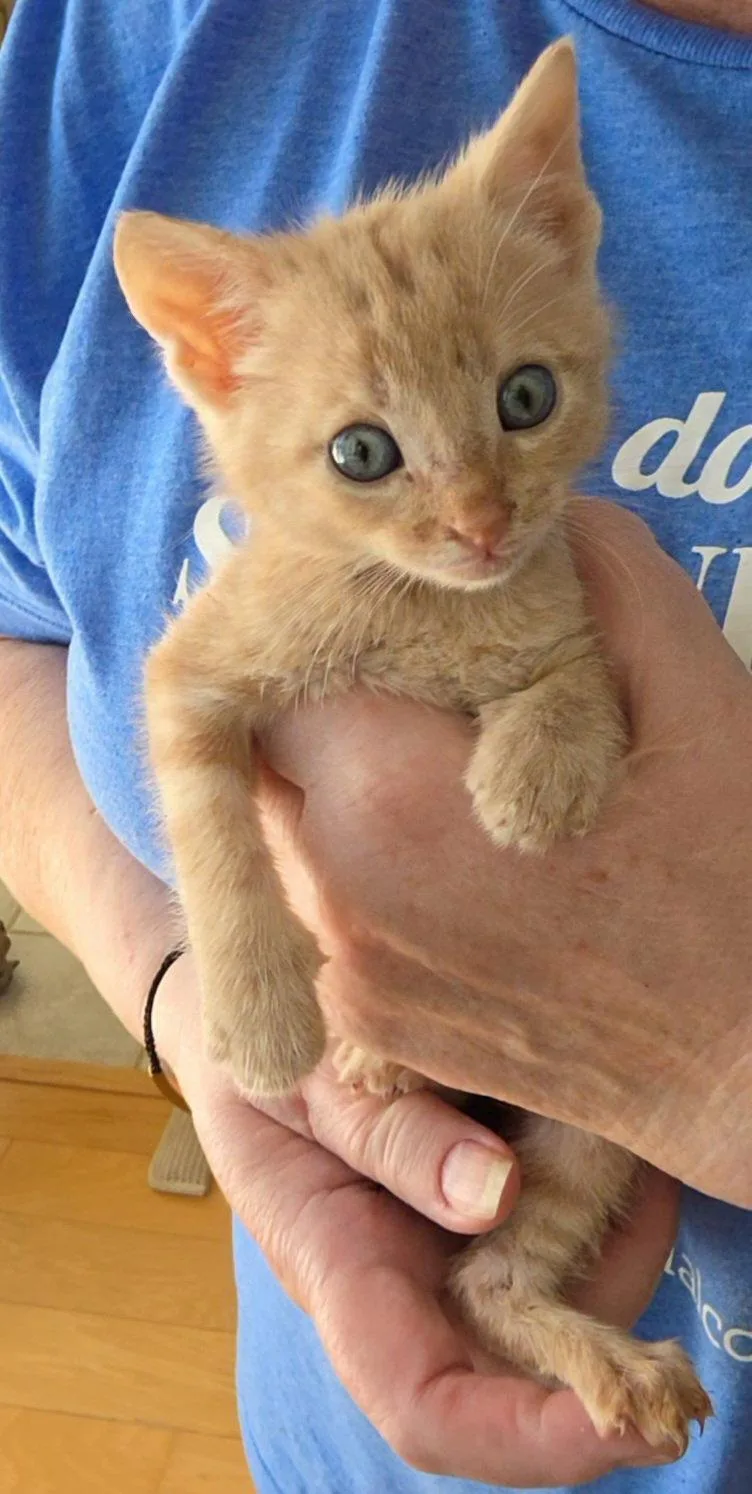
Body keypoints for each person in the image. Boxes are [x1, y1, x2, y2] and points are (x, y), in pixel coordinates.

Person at [0, 0, 749, 1488]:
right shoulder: (138, 33)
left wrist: (711, 1066)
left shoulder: (548, 561)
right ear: (217, 362)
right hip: (346, 1426)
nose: (479, 515)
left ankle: (519, 1296)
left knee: (597, 1148)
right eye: (368, 454)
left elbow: (565, 686)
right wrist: (193, 986)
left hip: (614, 1165)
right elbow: (77, 652)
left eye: (521, 406)